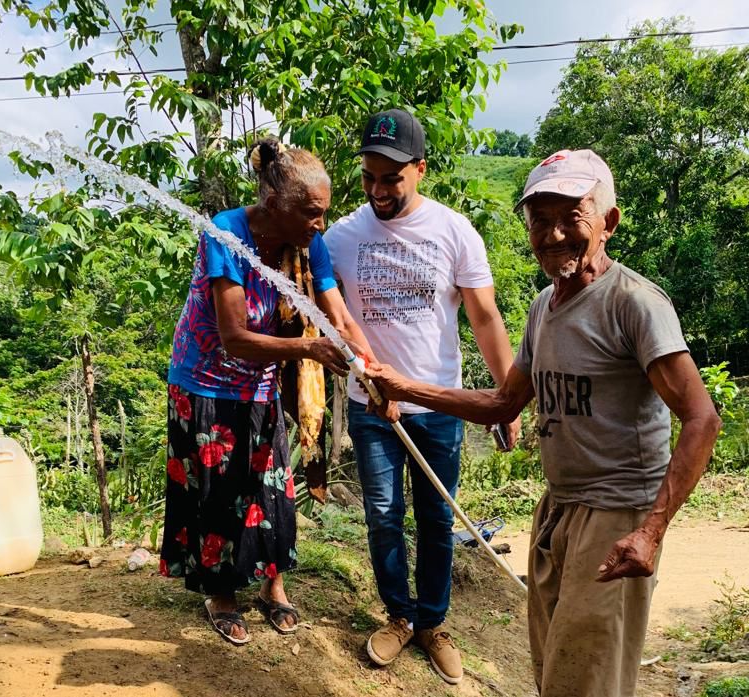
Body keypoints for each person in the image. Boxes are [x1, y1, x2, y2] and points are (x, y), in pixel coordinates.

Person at [364, 149, 722, 696]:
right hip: (557, 509)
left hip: (616, 514)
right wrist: (403, 387)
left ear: (609, 221)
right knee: (555, 671)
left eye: (571, 217)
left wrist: (650, 531)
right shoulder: (542, 308)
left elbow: (702, 418)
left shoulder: (634, 304)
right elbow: (504, 404)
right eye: (539, 220)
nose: (554, 235)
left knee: (586, 680)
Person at [323, 108, 520, 685]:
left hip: (439, 405)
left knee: (436, 516)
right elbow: (328, 322)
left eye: (392, 177)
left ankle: (434, 623)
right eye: (369, 177)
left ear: (420, 170)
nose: (379, 190)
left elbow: (485, 319)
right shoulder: (340, 239)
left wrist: (505, 400)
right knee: (384, 517)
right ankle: (399, 616)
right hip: (371, 410)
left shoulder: (455, 232)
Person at [160, 138, 374, 645]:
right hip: (206, 382)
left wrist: (368, 367)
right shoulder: (226, 236)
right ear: (273, 204)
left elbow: (336, 315)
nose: (319, 224)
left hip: (260, 381)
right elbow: (233, 337)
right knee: (218, 489)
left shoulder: (306, 243)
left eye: (322, 213)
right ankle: (223, 593)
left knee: (268, 483)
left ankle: (272, 586)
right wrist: (308, 349)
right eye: (310, 213)